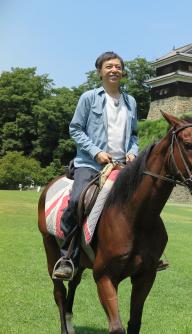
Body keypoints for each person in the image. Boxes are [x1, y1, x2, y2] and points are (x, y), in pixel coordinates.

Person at [53, 51, 139, 280]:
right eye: (109, 66)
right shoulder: (89, 98)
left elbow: (134, 136)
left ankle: (147, 253)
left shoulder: (131, 101)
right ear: (100, 71)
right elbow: (75, 129)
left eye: (118, 67)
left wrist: (132, 152)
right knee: (78, 200)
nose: (114, 70)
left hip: (123, 167)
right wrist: (96, 152)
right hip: (90, 164)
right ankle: (67, 257)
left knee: (146, 199)